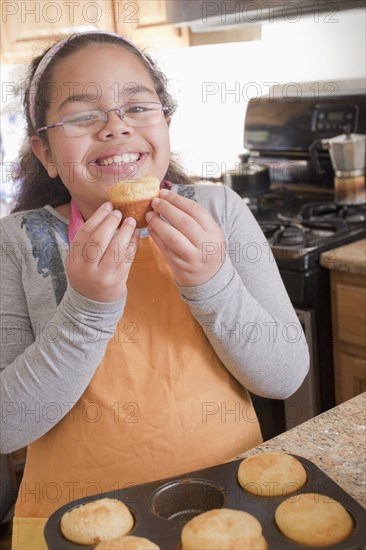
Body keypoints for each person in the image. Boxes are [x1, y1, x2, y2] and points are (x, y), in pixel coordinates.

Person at [0, 31, 309, 549]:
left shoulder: (220, 212)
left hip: (230, 506)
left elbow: (283, 378)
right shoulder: (18, 243)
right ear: (46, 152)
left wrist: (213, 283)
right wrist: (86, 310)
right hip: (73, 525)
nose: (116, 126)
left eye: (137, 107)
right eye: (82, 115)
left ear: (165, 125)